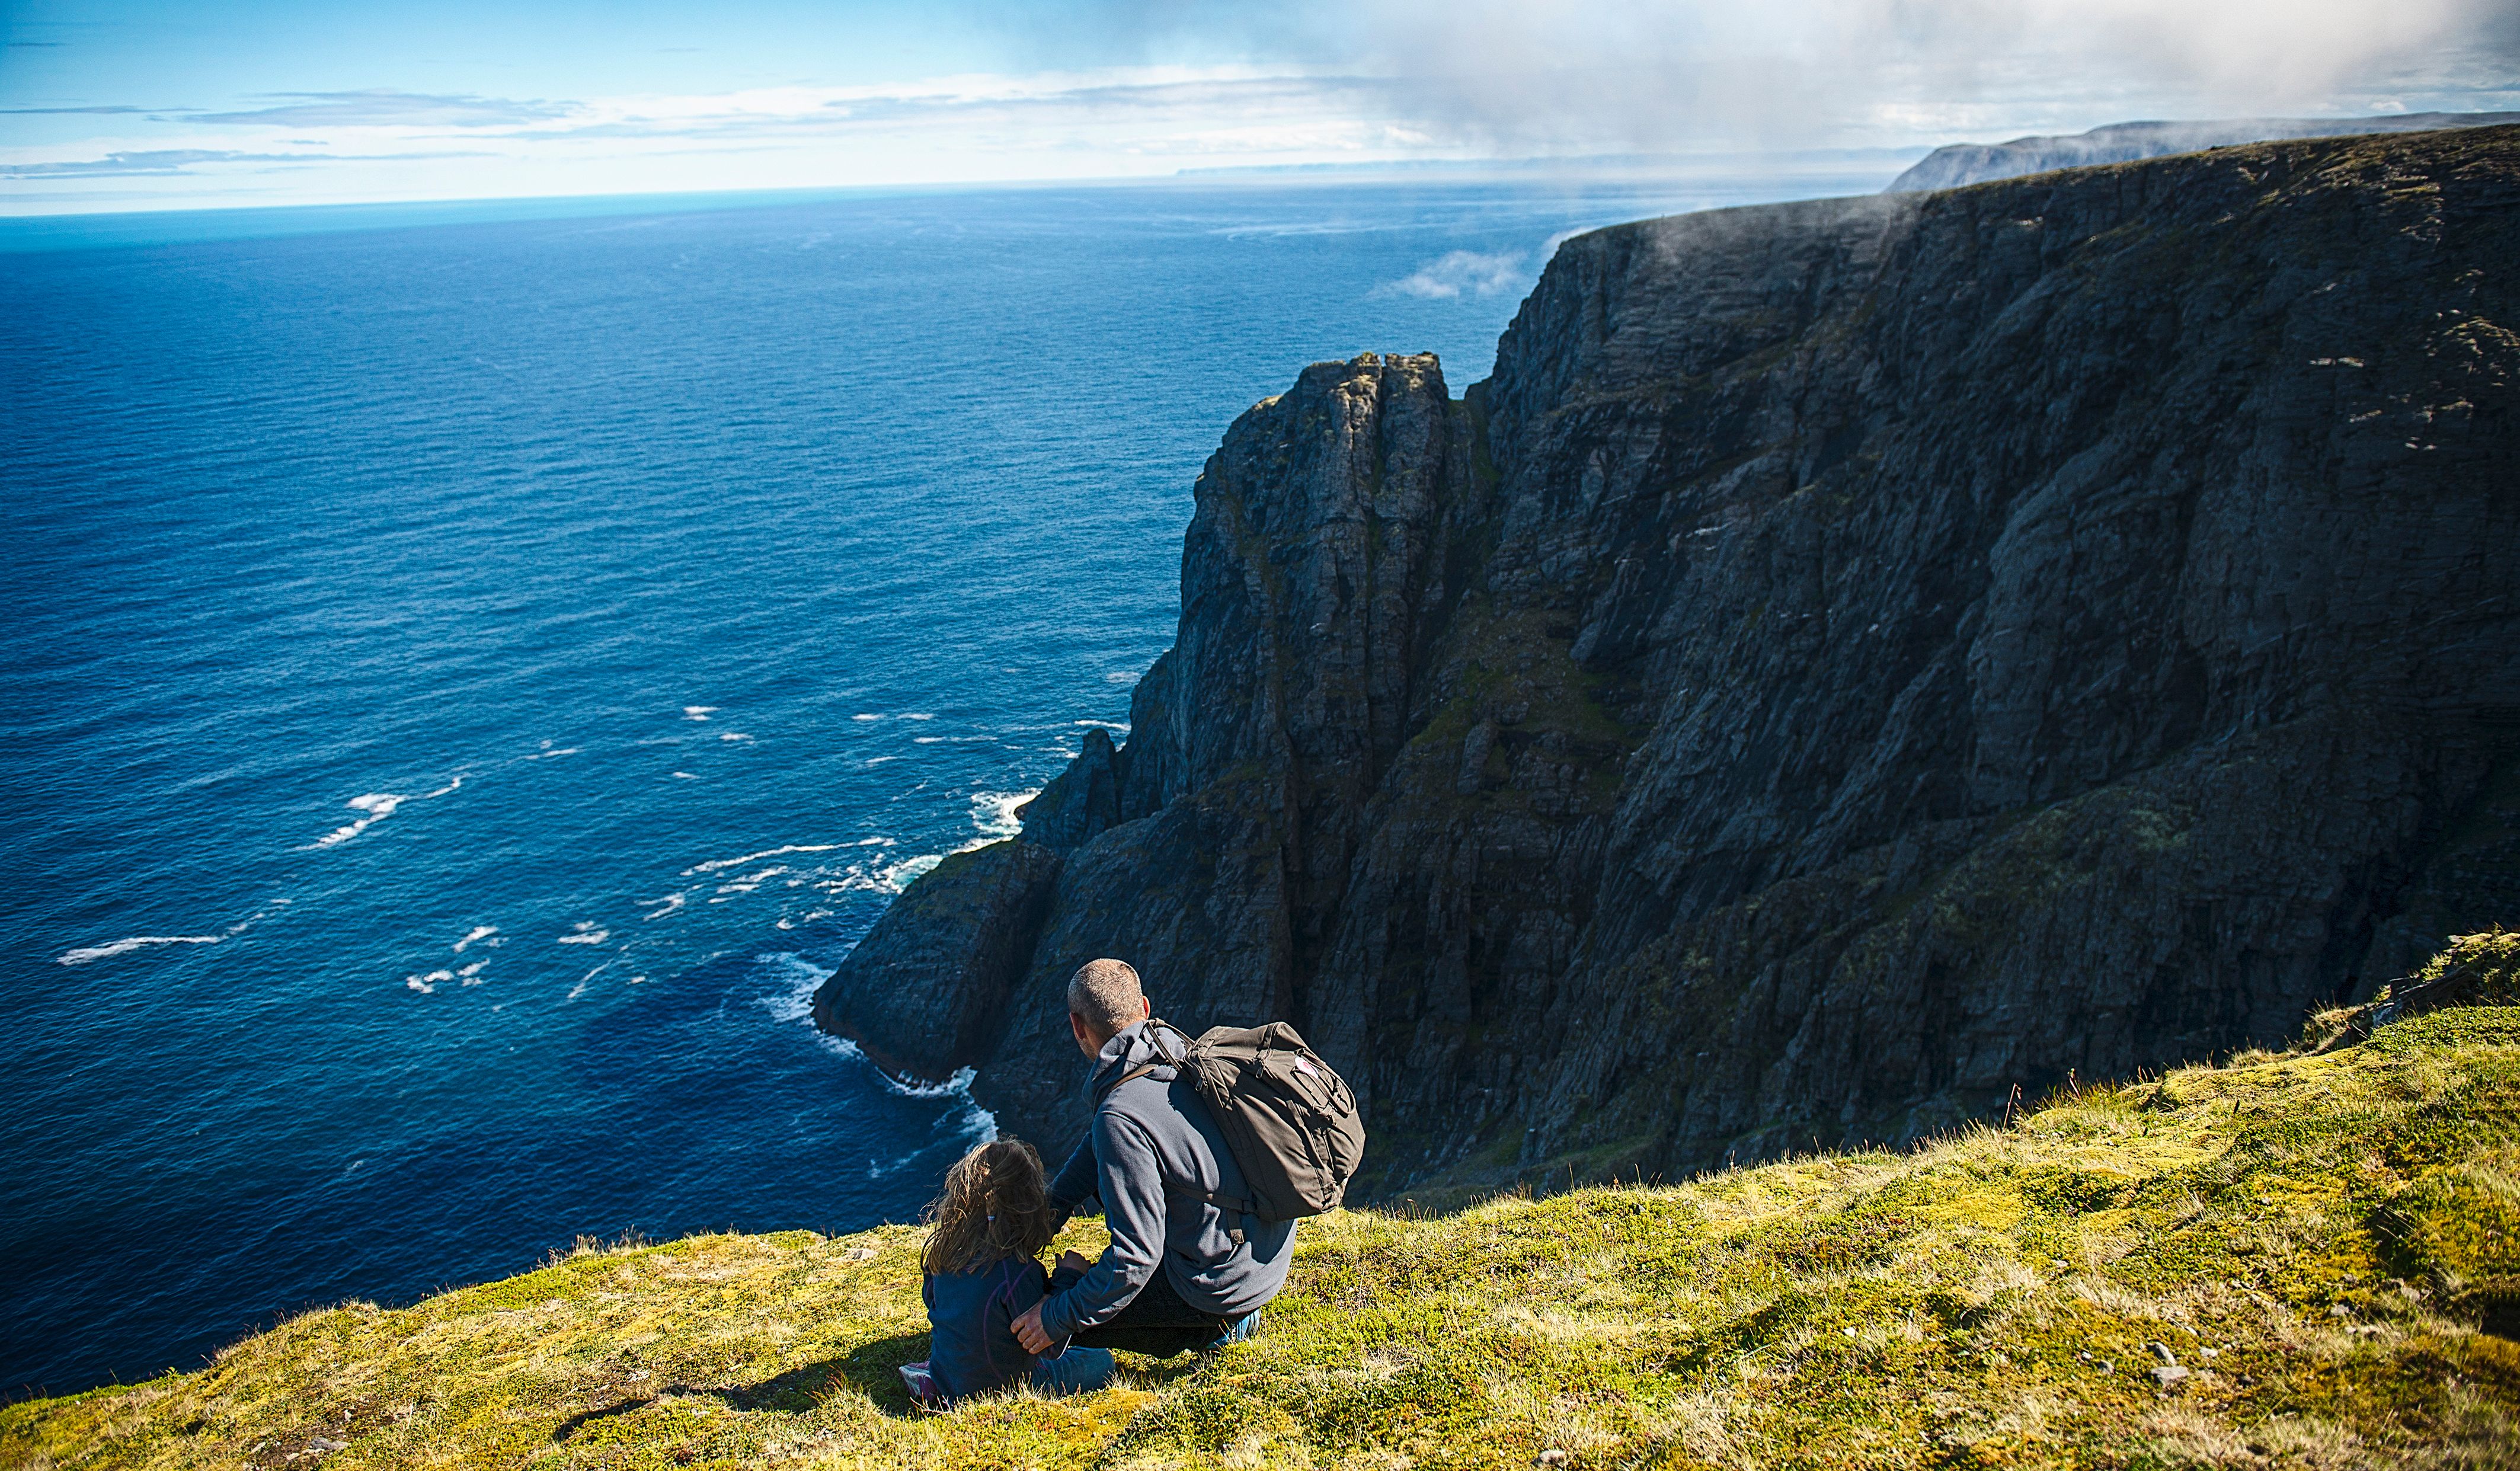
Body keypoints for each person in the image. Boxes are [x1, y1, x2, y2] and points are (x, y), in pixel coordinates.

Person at [1011, 959, 1294, 1360]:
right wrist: (1045, 1219)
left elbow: (1134, 1258)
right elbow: (1097, 1147)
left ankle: (1223, 1329)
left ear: (1078, 1027)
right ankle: (1231, 1313)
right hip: (1264, 1254)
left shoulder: (1120, 1114)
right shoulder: (1182, 1056)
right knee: (1084, 1297)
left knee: (1064, 1318)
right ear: (1144, 1008)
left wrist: (1057, 1315)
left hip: (1223, 1286)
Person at [901, 1139, 1115, 1410]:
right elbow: (1049, 1342)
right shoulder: (1016, 1273)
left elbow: (932, 1302)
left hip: (950, 1378)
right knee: (1101, 1361)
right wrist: (1068, 1277)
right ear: (1028, 1207)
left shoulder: (945, 1255)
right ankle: (969, 1392)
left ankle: (937, 1381)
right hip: (1005, 1388)